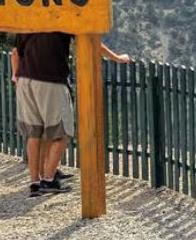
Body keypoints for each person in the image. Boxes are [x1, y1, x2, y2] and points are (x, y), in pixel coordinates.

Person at [13, 33, 131, 197]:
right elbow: (90, 40)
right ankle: (48, 180)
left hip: (25, 80)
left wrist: (15, 75)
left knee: (34, 133)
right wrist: (117, 57)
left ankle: (34, 182)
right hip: (51, 80)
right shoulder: (64, 19)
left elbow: (16, 52)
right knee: (62, 133)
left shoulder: (28, 19)